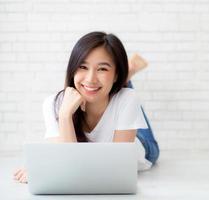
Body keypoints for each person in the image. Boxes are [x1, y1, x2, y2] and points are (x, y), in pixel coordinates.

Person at [14, 31, 160, 184]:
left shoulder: (128, 99)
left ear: (116, 73)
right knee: (118, 94)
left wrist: (47, 166)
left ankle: (125, 78)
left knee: (126, 96)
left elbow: (116, 168)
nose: (90, 78)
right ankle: (123, 78)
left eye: (102, 68)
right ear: (73, 69)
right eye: (83, 66)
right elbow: (68, 165)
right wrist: (65, 116)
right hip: (114, 98)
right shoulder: (53, 104)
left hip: (142, 147)